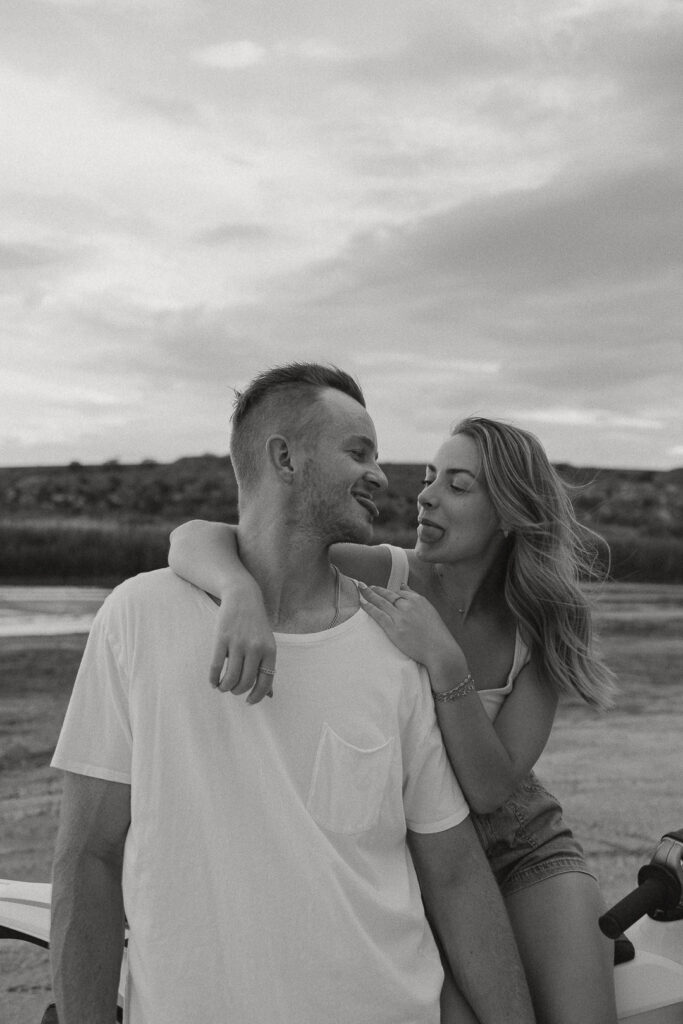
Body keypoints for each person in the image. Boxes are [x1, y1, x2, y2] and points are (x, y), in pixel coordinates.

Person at [50, 364, 535, 1024]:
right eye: (357, 452)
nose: (380, 477)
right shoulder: (139, 617)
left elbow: (453, 874)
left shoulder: (393, 643)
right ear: (284, 457)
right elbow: (89, 860)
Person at [168, 412, 620, 1024]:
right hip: (407, 853)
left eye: (458, 486)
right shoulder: (386, 569)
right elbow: (197, 537)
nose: (426, 495)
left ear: (510, 514)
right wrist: (239, 592)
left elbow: (491, 788)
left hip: (521, 847)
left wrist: (442, 657)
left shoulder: (541, 626)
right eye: (431, 478)